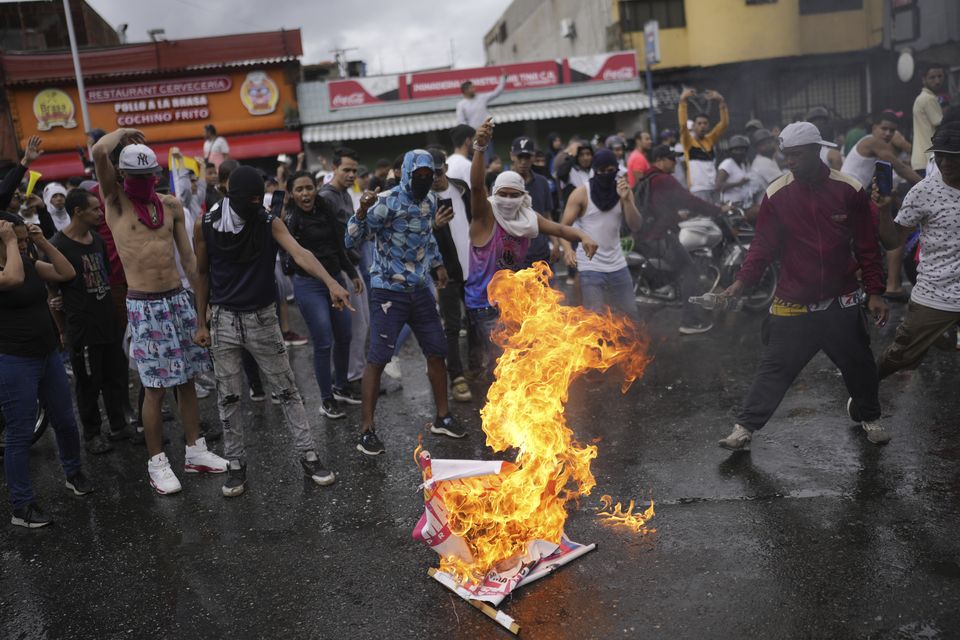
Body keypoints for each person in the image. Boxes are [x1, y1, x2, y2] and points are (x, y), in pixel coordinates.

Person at [716, 122, 889, 452]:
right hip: (794, 303)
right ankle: (744, 429)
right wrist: (741, 283)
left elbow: (868, 245)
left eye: (796, 155)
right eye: (787, 156)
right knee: (775, 368)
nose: (790, 162)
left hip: (841, 301)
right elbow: (762, 247)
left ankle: (871, 419)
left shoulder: (849, 189)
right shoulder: (776, 194)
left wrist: (876, 291)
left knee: (859, 365)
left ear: (815, 151)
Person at [193, 165, 344, 497]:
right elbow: (202, 273)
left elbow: (300, 252)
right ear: (231, 196)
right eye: (249, 200)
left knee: (287, 390)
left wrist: (331, 281)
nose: (254, 205)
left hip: (262, 317)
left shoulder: (266, 221)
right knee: (228, 397)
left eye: (257, 199)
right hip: (223, 320)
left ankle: (309, 456)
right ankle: (235, 465)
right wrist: (201, 321)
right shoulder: (204, 226)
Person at [93, 128, 227, 495]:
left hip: (178, 299)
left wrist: (202, 311)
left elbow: (189, 259)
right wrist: (123, 133)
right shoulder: (115, 202)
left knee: (187, 381)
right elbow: (98, 152)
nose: (142, 182)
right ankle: (157, 463)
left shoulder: (168, 205)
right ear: (122, 176)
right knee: (154, 389)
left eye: (147, 176)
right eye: (134, 176)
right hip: (144, 305)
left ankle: (196, 451)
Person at [345, 150, 461, 456]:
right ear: (407, 173)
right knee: (379, 358)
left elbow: (427, 238)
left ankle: (443, 417)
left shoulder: (430, 201)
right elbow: (351, 240)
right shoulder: (386, 201)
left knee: (437, 350)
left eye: (430, 175)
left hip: (420, 289)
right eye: (419, 175)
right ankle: (366, 431)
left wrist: (437, 265)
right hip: (387, 291)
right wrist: (360, 212)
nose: (426, 180)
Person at [465, 117, 599, 378]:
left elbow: (559, 229)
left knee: (526, 359)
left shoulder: (527, 217)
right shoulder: (485, 216)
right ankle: (503, 416)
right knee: (504, 366)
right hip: (485, 303)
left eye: (513, 195)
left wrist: (582, 235)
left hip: (514, 300)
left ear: (522, 196)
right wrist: (480, 148)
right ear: (494, 194)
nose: (507, 199)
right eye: (502, 194)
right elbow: (477, 186)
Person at [1, 212, 93, 528]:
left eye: (26, 239)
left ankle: (73, 472)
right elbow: (11, 280)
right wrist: (12, 242)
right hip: (14, 360)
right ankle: (21, 507)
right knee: (20, 433)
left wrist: (40, 241)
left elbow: (65, 273)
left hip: (47, 354)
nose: (24, 245)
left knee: (66, 420)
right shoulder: (9, 266)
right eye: (19, 239)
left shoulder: (26, 260)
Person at [874, 122, 960, 380]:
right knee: (903, 356)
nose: (944, 162)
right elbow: (892, 242)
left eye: (953, 156)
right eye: (940, 155)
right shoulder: (923, 192)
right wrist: (882, 209)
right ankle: (866, 390)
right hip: (936, 294)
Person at [48, 189, 128, 454]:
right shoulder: (58, 245)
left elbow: (104, 276)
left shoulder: (97, 240)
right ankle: (92, 434)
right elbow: (52, 292)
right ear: (78, 212)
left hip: (107, 321)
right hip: (82, 329)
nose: (99, 213)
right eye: (94, 209)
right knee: (88, 384)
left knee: (115, 377)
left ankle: (119, 426)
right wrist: (62, 330)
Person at [286, 170, 362, 419]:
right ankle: (326, 399)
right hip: (309, 285)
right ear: (292, 194)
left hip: (336, 281)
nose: (305, 193)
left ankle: (341, 386)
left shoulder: (325, 208)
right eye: (299, 189)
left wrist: (351, 274)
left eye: (309, 188)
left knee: (344, 334)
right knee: (323, 340)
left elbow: (340, 245)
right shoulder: (290, 219)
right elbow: (288, 259)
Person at [636, 145, 726, 335]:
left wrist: (676, 217)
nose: (675, 163)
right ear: (660, 159)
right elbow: (689, 200)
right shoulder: (663, 179)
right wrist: (718, 210)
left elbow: (658, 207)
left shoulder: (649, 178)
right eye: (671, 159)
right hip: (659, 236)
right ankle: (689, 321)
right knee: (690, 270)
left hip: (647, 235)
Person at [841, 110, 923, 301]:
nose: (887, 134)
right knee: (893, 234)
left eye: (891, 131)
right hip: (851, 199)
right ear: (874, 128)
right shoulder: (871, 141)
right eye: (883, 128)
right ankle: (893, 286)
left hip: (850, 198)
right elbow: (900, 168)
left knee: (866, 241)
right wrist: (929, 186)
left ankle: (866, 283)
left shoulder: (874, 145)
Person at [559, 149, 643, 322]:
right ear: (595, 171)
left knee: (630, 315)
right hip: (590, 266)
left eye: (611, 171)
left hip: (618, 264)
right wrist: (568, 250)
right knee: (594, 319)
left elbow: (636, 225)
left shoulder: (623, 191)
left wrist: (627, 200)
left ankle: (631, 349)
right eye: (602, 171)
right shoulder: (581, 193)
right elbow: (562, 228)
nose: (606, 175)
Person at [317, 148, 368, 398]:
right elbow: (330, 240)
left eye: (354, 171)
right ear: (334, 168)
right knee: (354, 326)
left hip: (352, 266)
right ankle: (348, 379)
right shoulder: (326, 197)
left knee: (361, 324)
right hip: (341, 269)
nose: (351, 174)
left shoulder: (345, 195)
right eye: (346, 169)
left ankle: (352, 376)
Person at [426, 147, 472, 402]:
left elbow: (476, 218)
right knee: (452, 326)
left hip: (472, 267)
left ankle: (476, 367)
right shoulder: (423, 200)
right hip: (446, 272)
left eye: (438, 171)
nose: (434, 177)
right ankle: (456, 376)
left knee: (477, 319)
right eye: (429, 173)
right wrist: (435, 225)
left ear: (445, 167)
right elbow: (420, 234)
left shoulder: (461, 187)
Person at [510, 136, 556, 269]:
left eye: (527, 157)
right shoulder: (502, 184)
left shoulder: (542, 182)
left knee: (544, 289)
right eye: (520, 157)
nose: (523, 162)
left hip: (541, 253)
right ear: (512, 156)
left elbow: (547, 216)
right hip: (514, 255)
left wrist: (556, 243)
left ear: (533, 157)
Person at [678, 88, 729, 201]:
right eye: (699, 123)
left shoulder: (710, 140)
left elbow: (724, 125)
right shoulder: (688, 142)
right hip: (697, 190)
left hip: (713, 188)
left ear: (708, 126)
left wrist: (721, 101)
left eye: (705, 123)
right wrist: (682, 101)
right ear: (694, 126)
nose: (702, 126)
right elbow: (682, 125)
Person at [911, 63, 946, 177]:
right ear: (924, 79)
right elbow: (942, 125)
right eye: (932, 77)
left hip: (921, 160)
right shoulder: (928, 99)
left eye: (940, 76)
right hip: (929, 160)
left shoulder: (922, 97)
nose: (937, 81)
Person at [715, 135, 755, 205]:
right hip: (731, 204)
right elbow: (718, 186)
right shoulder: (727, 164)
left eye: (742, 150)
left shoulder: (743, 165)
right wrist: (739, 183)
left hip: (744, 202)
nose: (740, 152)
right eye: (736, 150)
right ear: (731, 151)